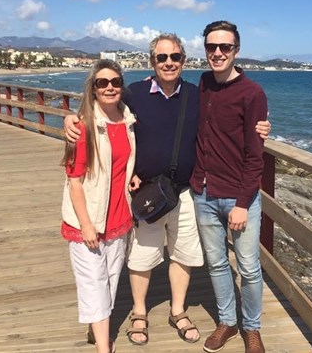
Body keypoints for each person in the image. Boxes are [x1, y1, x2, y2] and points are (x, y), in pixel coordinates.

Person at [64, 34, 271, 347]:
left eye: (175, 57)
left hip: (186, 191)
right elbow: (102, 106)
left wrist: (263, 125)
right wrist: (71, 119)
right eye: (162, 58)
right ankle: (138, 313)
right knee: (142, 256)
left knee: (183, 253)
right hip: (147, 191)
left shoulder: (197, 92)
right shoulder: (133, 93)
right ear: (152, 62)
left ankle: (177, 309)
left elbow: (230, 108)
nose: (169, 62)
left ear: (184, 61)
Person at [190, 20, 267, 353]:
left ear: (237, 50)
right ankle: (228, 323)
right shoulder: (204, 83)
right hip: (204, 192)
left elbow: (255, 156)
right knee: (217, 262)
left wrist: (241, 202)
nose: (217, 53)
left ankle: (252, 327)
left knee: (249, 268)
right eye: (211, 47)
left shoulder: (253, 93)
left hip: (239, 196)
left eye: (225, 47)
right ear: (205, 49)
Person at [60, 59, 136, 353]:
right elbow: (74, 181)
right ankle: (104, 347)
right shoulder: (83, 127)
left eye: (115, 82)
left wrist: (134, 175)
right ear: (92, 89)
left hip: (119, 216)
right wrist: (86, 223)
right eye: (102, 83)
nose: (109, 87)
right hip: (88, 220)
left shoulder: (128, 121)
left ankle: (97, 330)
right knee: (94, 283)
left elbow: (124, 163)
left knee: (111, 280)